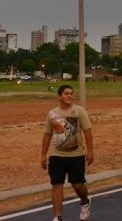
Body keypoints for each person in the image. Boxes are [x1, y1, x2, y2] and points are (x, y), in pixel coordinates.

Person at [41, 85, 94, 221]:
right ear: (59, 96)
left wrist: (90, 151)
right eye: (66, 93)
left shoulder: (79, 111)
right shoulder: (52, 114)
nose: (70, 96)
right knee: (57, 184)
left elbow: (87, 131)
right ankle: (58, 217)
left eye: (71, 93)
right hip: (57, 155)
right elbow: (47, 135)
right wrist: (43, 155)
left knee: (77, 184)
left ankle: (84, 201)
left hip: (76, 155)